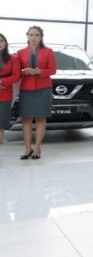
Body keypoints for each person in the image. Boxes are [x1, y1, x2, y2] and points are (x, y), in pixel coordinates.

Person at [16, 26, 56, 159]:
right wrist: (24, 72)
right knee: (26, 119)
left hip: (43, 88)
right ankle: (28, 149)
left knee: (40, 118)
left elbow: (53, 70)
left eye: (37, 35)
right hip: (26, 88)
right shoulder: (20, 52)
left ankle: (37, 148)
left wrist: (40, 71)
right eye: (31, 35)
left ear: (41, 37)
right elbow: (17, 72)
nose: (34, 37)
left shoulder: (48, 51)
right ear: (27, 36)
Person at [0, 33, 22, 145]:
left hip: (5, 91)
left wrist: (1, 82)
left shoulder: (13, 59)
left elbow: (16, 75)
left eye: (1, 41)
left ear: (5, 43)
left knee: (2, 118)